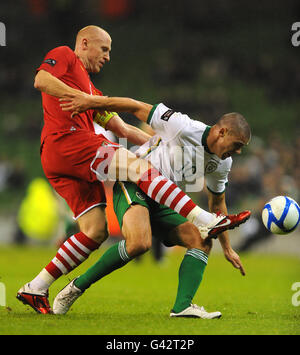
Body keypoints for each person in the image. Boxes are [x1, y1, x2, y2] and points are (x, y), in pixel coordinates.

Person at [17, 26, 249, 314]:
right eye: (105, 49)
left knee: (95, 231)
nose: (108, 57)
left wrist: (158, 141)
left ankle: (36, 287)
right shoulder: (65, 56)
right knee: (138, 168)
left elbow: (123, 128)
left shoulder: (93, 91)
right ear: (85, 43)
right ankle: (204, 218)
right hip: (67, 141)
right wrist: (79, 97)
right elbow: (41, 79)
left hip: (67, 162)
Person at [52, 94, 251, 318]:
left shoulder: (222, 162)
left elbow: (217, 203)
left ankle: (182, 306)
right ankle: (75, 287)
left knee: (201, 241)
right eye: (237, 145)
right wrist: (91, 103)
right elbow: (135, 106)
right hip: (134, 182)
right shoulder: (183, 126)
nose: (238, 152)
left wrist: (227, 248)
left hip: (164, 200)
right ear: (222, 132)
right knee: (139, 243)